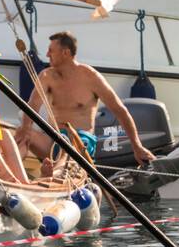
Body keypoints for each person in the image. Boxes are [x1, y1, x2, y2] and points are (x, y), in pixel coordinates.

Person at [15, 32, 154, 173]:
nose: (47, 54)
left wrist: (137, 147)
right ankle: (11, 175)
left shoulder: (91, 77)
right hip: (53, 140)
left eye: (51, 51)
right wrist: (26, 128)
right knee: (22, 133)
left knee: (68, 146)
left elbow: (121, 111)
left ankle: (55, 176)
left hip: (81, 141)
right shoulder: (46, 76)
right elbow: (32, 105)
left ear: (65, 52)